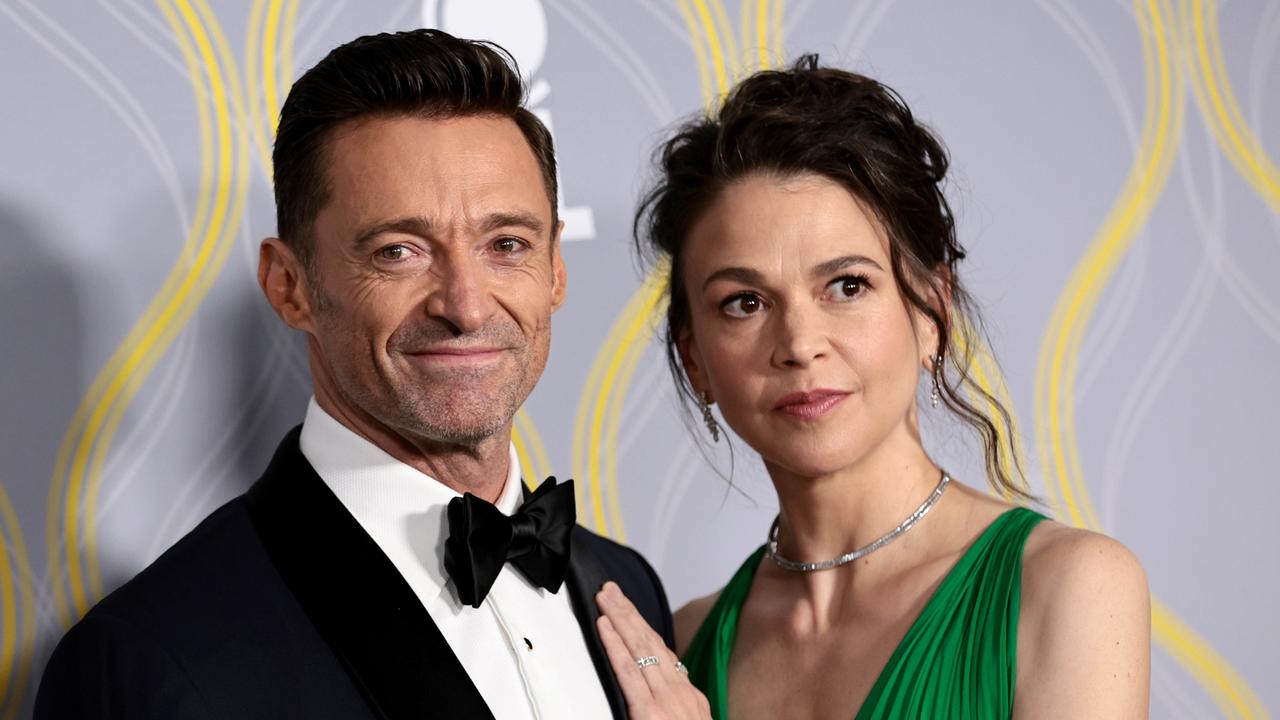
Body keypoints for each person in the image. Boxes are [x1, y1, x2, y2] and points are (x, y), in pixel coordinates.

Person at [35, 29, 673, 720]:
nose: (464, 304)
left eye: (507, 245)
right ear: (289, 286)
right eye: (398, 251)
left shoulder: (627, 587)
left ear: (555, 272)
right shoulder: (147, 660)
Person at [593, 56, 1150, 719]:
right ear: (694, 359)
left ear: (931, 313)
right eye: (744, 302)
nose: (800, 343)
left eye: (847, 285)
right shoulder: (678, 646)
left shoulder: (1068, 588)